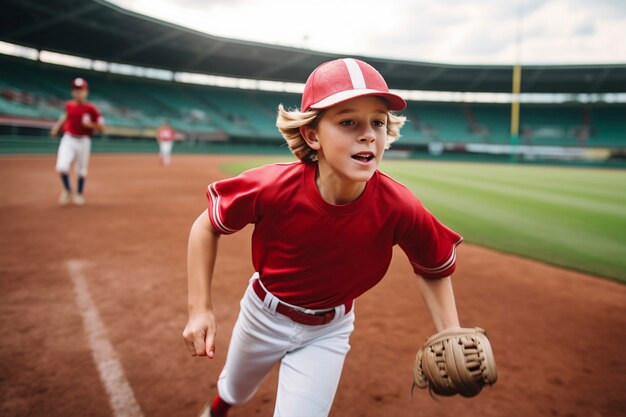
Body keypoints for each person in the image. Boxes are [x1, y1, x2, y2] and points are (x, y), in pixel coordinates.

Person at [183, 58, 463, 417]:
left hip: (328, 331)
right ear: (312, 135)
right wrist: (199, 309)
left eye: (377, 122)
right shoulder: (271, 187)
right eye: (348, 122)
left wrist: (450, 330)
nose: (368, 134)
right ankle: (221, 405)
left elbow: (433, 264)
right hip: (263, 315)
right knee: (236, 387)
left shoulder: (400, 206)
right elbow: (206, 225)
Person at [50, 77, 104, 206]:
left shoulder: (92, 109)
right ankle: (68, 190)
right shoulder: (69, 105)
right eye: (76, 90)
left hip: (84, 141)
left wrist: (90, 124)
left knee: (81, 171)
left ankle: (79, 194)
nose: (78, 93)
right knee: (61, 167)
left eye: (81, 90)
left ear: (86, 92)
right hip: (69, 138)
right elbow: (66, 116)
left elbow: (101, 128)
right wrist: (57, 127)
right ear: (72, 92)